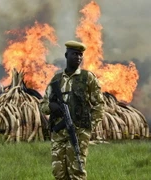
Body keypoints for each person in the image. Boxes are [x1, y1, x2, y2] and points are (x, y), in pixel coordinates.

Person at [39, 40, 105, 180]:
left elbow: (99, 105)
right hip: (59, 135)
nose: (78, 57)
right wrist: (52, 106)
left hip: (79, 134)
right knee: (59, 173)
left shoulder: (88, 78)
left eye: (81, 55)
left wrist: (88, 127)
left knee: (77, 173)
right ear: (66, 55)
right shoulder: (56, 80)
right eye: (75, 54)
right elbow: (43, 105)